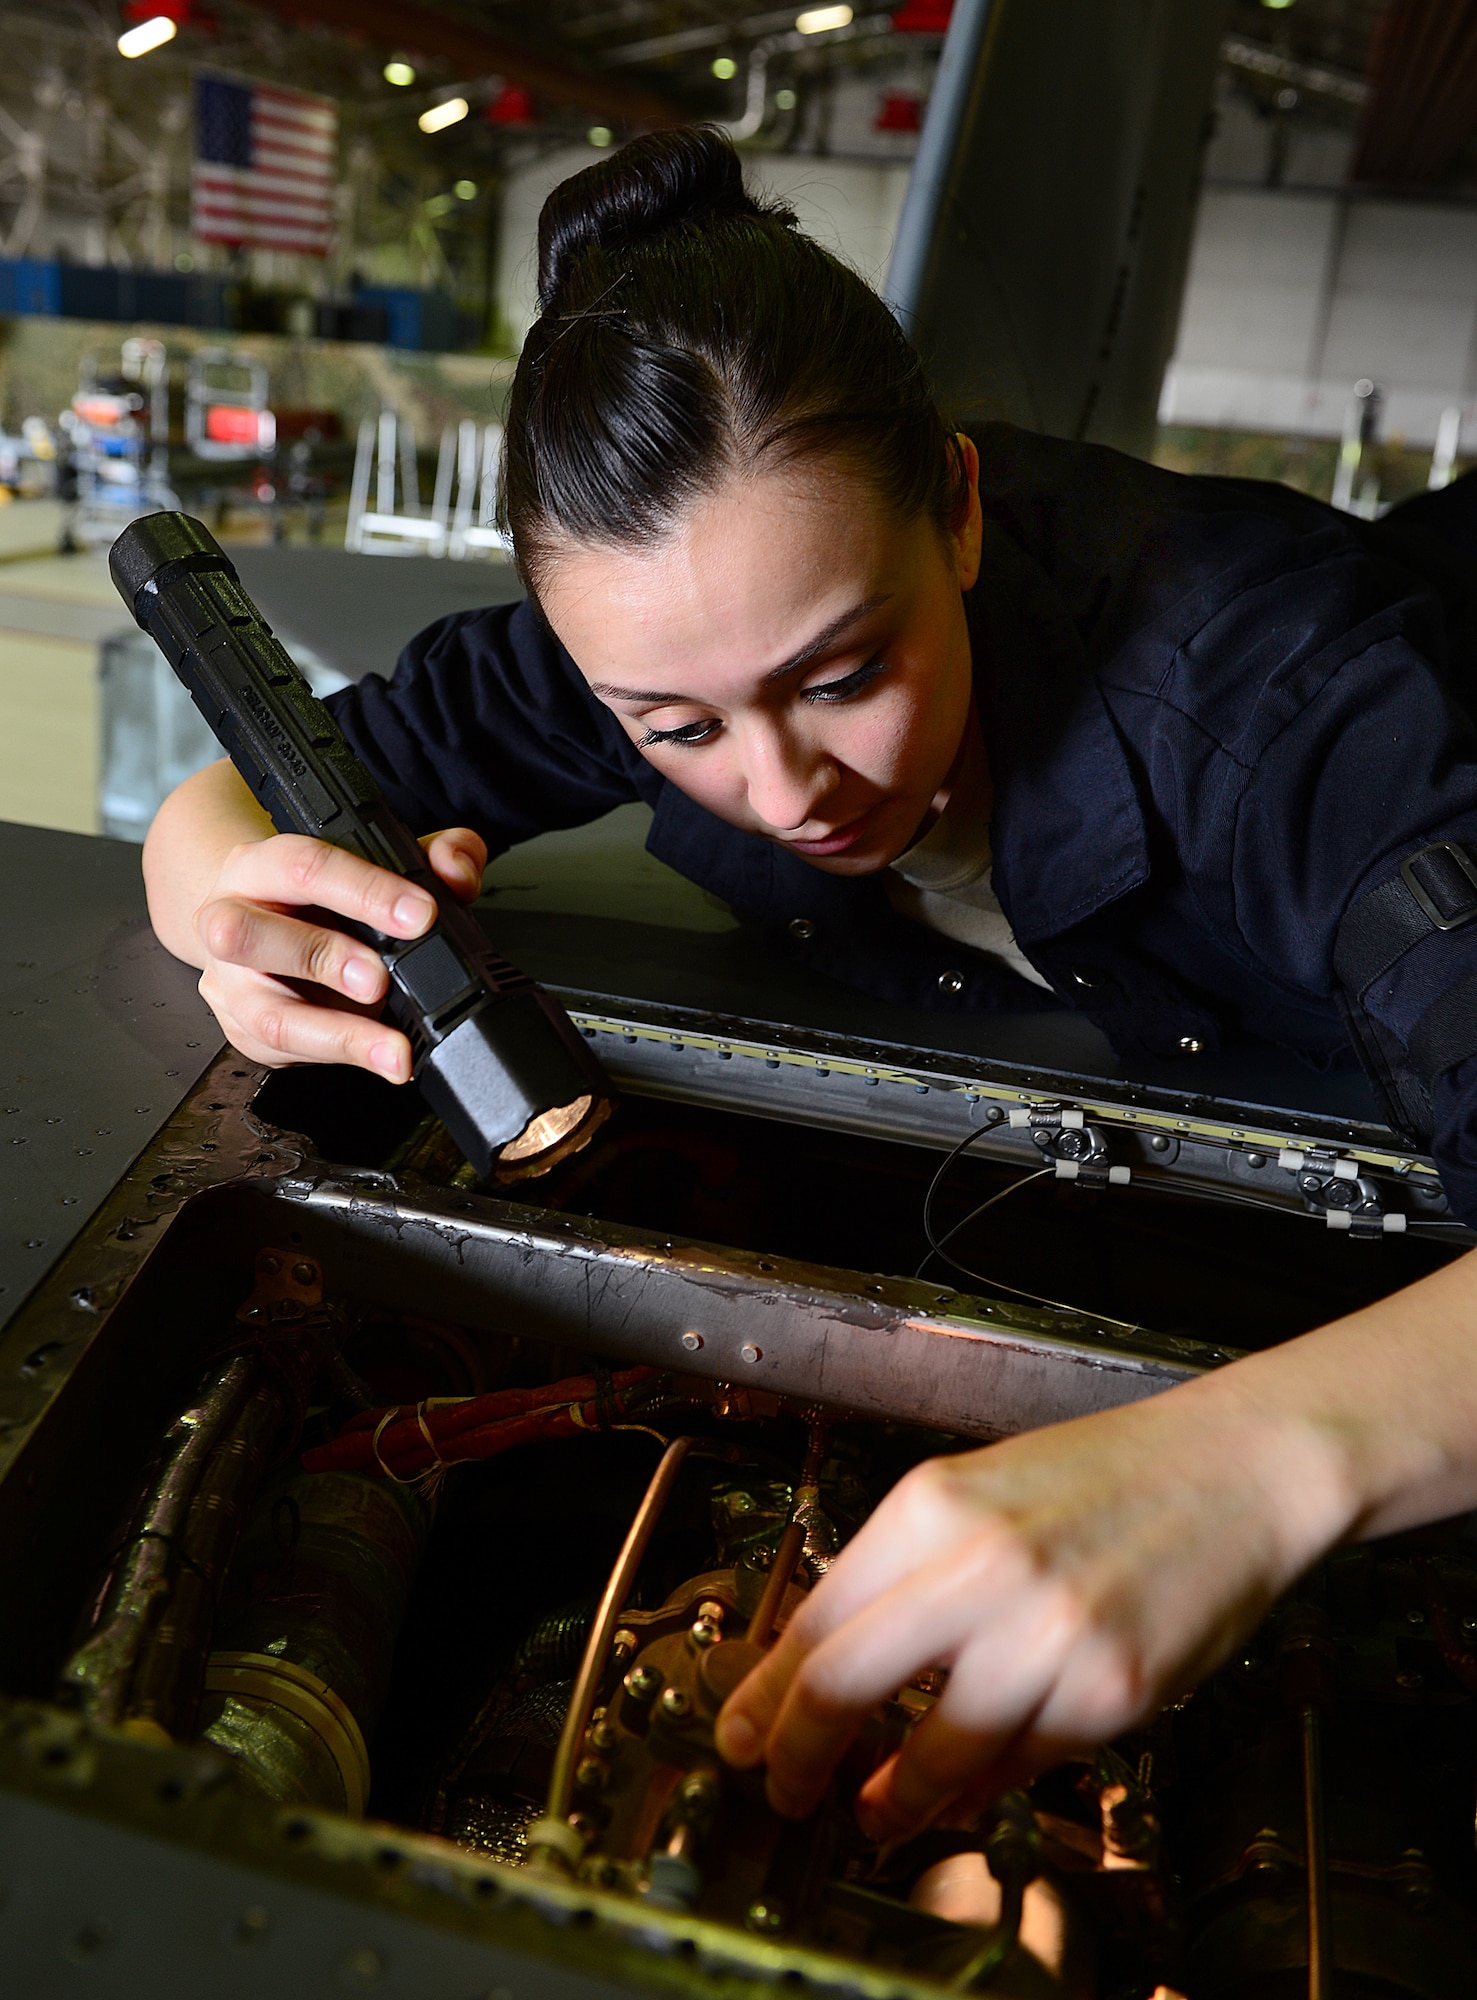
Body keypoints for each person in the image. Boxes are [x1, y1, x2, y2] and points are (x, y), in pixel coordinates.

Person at [143, 126, 1477, 1846]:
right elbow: (255, 787)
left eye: (842, 673)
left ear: (965, 506)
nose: (780, 791)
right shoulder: (640, 650)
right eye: (675, 730)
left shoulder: (1296, 713)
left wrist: (1241, 1465)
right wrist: (233, 910)